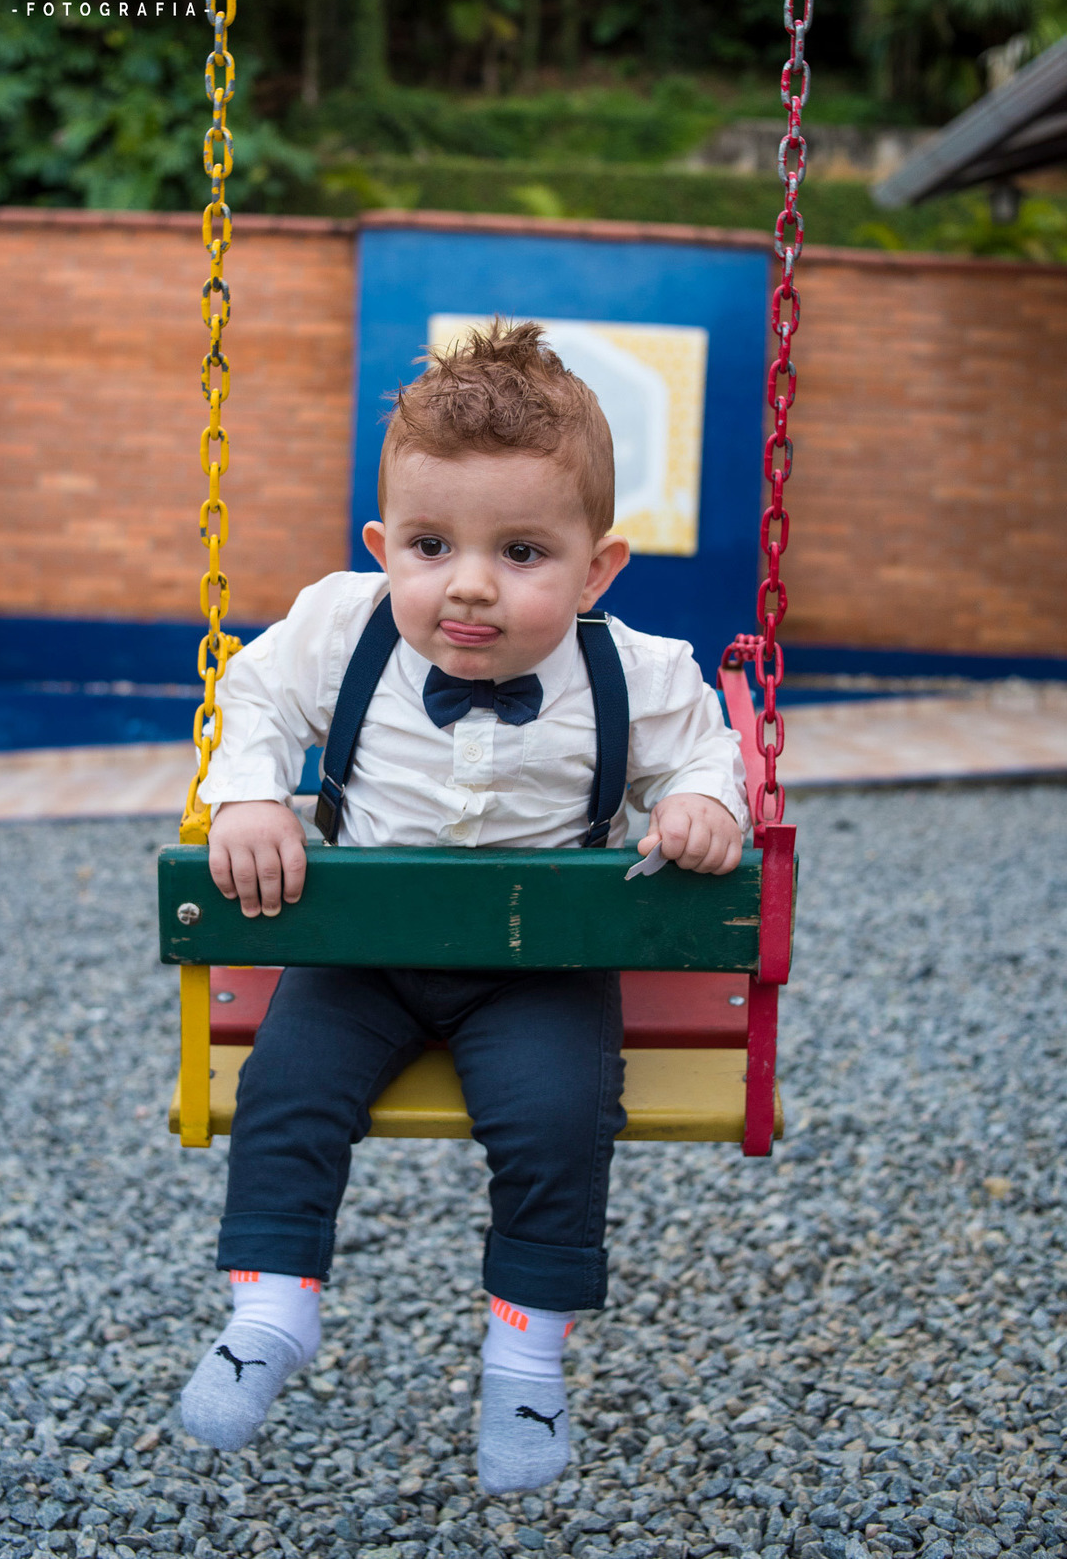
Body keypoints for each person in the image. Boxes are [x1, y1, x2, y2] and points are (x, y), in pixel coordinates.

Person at [180, 320, 749, 1492]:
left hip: (535, 970)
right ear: (384, 548)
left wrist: (700, 807)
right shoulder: (340, 627)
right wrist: (248, 797)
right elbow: (253, 698)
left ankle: (527, 1367)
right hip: (364, 956)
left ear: (598, 570)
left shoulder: (636, 672)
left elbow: (706, 758)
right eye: (432, 546)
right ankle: (273, 1313)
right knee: (283, 1095)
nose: (472, 584)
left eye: (525, 551)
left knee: (555, 1125)